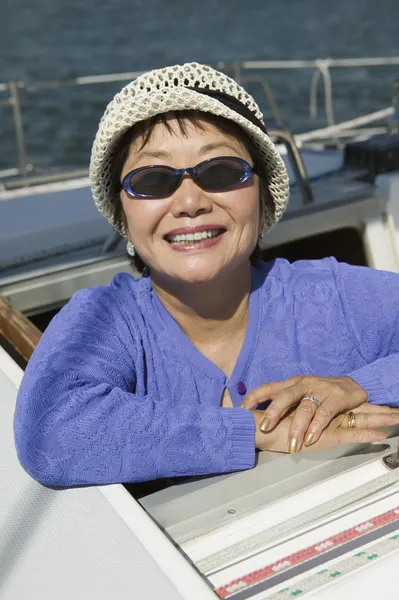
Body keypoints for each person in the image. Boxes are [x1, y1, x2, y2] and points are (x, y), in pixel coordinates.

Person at [14, 62, 399, 488]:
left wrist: (358, 385)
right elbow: (50, 434)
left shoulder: (330, 298)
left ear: (261, 195)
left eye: (220, 172)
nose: (190, 202)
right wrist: (257, 428)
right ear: (122, 212)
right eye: (153, 180)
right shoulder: (106, 319)